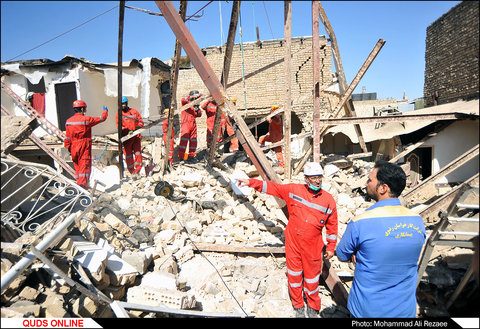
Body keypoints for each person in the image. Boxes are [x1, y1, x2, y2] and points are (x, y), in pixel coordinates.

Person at [237, 162, 338, 318]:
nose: (317, 181)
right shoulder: (293, 190)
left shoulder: (328, 200)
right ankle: (298, 306)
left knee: (312, 278)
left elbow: (332, 225)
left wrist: (331, 247)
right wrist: (250, 182)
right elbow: (272, 188)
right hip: (293, 243)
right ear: (306, 179)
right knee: (294, 275)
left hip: (313, 245)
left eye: (319, 177)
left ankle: (313, 307)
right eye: (313, 178)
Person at [336, 160, 426, 318]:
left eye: (370, 180)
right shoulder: (417, 221)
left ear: (383, 188)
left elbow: (342, 255)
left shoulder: (360, 222)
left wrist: (359, 253)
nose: (366, 183)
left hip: (366, 311)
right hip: (404, 311)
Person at [64, 100, 108, 189]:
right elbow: (102, 118)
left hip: (73, 147)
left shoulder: (68, 121)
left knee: (78, 170)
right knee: (85, 169)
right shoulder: (86, 120)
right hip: (83, 146)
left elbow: (67, 138)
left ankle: (79, 187)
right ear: (82, 109)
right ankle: (82, 190)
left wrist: (69, 148)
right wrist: (105, 111)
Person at [116, 96, 144, 175]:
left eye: (124, 103)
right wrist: (127, 131)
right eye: (122, 104)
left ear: (127, 103)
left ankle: (138, 171)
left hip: (136, 136)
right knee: (128, 155)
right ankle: (132, 172)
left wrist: (136, 128)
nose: (123, 105)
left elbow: (141, 122)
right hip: (127, 138)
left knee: (138, 153)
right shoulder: (119, 115)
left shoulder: (134, 111)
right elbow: (119, 127)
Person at [179, 90, 202, 162]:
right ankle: (181, 157)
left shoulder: (194, 106)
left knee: (193, 141)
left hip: (193, 125)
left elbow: (199, 115)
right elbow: (183, 100)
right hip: (185, 124)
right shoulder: (186, 103)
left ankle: (191, 156)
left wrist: (197, 108)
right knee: (184, 141)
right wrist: (190, 97)